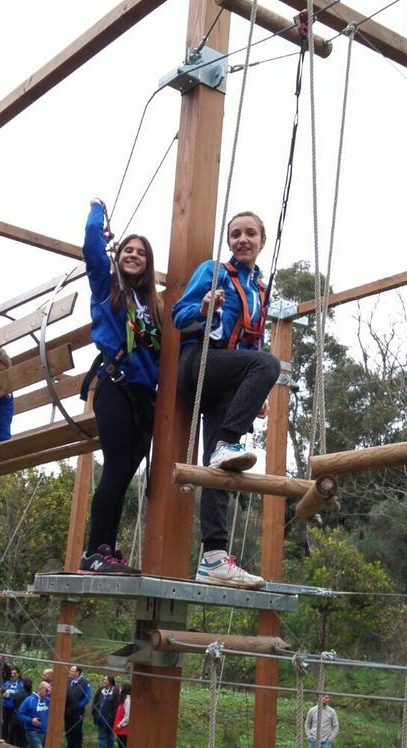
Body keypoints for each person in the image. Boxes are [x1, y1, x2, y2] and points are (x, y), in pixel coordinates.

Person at [172, 212, 280, 588]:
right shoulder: (214, 272)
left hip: (227, 374)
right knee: (269, 364)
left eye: (250, 233)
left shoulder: (260, 289)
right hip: (198, 363)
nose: (242, 240)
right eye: (235, 234)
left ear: (261, 241)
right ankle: (225, 442)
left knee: (223, 468)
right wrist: (203, 308)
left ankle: (213, 559)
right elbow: (178, 316)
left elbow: (251, 342)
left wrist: (256, 391)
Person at [78, 199, 163, 574]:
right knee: (114, 467)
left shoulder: (154, 304)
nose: (133, 255)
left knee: (128, 470)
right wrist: (97, 211)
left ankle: (107, 551)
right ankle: (96, 550)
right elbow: (92, 248)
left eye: (141, 253)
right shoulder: (106, 287)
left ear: (148, 263)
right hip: (115, 384)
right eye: (128, 250)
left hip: (145, 396)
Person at [9, 680, 50, 748]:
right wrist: (31, 720)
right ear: (40, 689)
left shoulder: (47, 701)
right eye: (47, 690)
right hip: (32, 732)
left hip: (42, 733)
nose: (48, 693)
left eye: (49, 691)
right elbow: (20, 714)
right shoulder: (29, 700)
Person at [64, 665, 92, 748]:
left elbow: (87, 696)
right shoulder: (68, 681)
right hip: (67, 710)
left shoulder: (84, 682)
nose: (70, 672)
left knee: (77, 730)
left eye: (72, 671)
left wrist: (79, 705)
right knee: (68, 729)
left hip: (77, 712)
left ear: (77, 672)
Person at [92, 674, 120, 748]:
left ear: (110, 681)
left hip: (110, 719)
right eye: (103, 679)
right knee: (101, 736)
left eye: (105, 680)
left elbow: (116, 706)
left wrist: (112, 717)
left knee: (110, 737)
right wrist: (94, 712)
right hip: (100, 718)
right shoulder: (101, 690)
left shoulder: (115, 691)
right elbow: (95, 701)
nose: (103, 681)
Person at [0, 666, 27, 745]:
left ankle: (11, 742)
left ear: (18, 674)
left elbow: (20, 694)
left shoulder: (21, 684)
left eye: (14, 673)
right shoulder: (7, 683)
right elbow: (2, 691)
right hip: (6, 706)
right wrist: (3, 693)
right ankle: (3, 740)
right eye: (11, 673)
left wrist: (11, 694)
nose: (12, 675)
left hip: (15, 708)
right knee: (5, 724)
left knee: (13, 726)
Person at [112, 683, 131, 748]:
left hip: (124, 731)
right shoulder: (123, 700)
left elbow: (128, 717)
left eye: (121, 688)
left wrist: (120, 725)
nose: (119, 689)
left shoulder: (127, 700)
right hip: (120, 731)